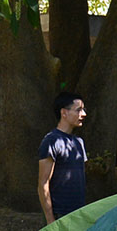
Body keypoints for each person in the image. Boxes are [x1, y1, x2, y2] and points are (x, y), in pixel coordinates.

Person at [38, 90, 89, 223]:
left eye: (83, 109)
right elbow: (43, 183)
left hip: (79, 214)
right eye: (78, 110)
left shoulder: (79, 142)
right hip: (59, 215)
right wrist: (50, 220)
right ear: (64, 113)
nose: (84, 114)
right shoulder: (51, 141)